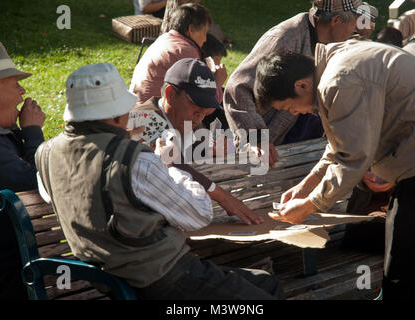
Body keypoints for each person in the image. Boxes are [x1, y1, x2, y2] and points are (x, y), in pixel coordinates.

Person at [35, 62, 283, 300]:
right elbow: (199, 215)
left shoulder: (45, 155)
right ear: (117, 114)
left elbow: (68, 191)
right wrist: (167, 164)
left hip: (109, 277)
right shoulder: (135, 162)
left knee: (264, 282)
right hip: (164, 279)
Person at [253, 40, 415, 299]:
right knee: (410, 262)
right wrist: (305, 185)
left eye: (287, 107)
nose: (294, 113)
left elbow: (353, 159)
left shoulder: (338, 81)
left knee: (407, 269)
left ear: (301, 85)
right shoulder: (336, 66)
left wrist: (308, 206)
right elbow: (341, 143)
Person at [223, 0, 364, 168]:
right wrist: (256, 138)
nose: (356, 28)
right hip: (265, 150)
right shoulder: (285, 38)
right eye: (355, 20)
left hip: (296, 145)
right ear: (336, 20)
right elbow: (237, 88)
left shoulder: (332, 44)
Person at [131, 58, 264, 226]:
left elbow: (206, 148)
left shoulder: (189, 119)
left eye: (206, 107)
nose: (201, 114)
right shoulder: (144, 119)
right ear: (170, 95)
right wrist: (224, 198)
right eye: (196, 105)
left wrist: (232, 150)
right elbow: (175, 163)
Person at [0, 42, 45, 299]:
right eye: (14, 84)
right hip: (6, 277)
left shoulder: (2, 133)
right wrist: (33, 134)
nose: (22, 92)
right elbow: (35, 182)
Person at [130, 3, 226, 106]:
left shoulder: (165, 38)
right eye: (204, 32)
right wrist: (217, 82)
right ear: (191, 29)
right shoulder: (186, 50)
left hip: (137, 107)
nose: (205, 39)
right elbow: (202, 105)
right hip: (154, 116)